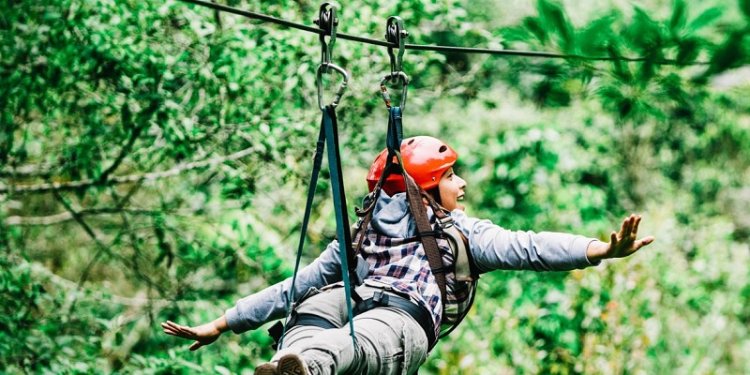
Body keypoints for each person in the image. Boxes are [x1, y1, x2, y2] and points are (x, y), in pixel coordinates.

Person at [161, 136, 655, 375]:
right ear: (424, 190)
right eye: (449, 177)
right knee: (321, 316)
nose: (460, 185)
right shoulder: (456, 233)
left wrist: (225, 322)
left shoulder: (361, 235)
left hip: (391, 321)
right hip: (401, 323)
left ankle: (302, 366)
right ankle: (298, 366)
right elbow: (526, 246)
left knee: (338, 326)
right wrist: (600, 251)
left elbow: (295, 284)